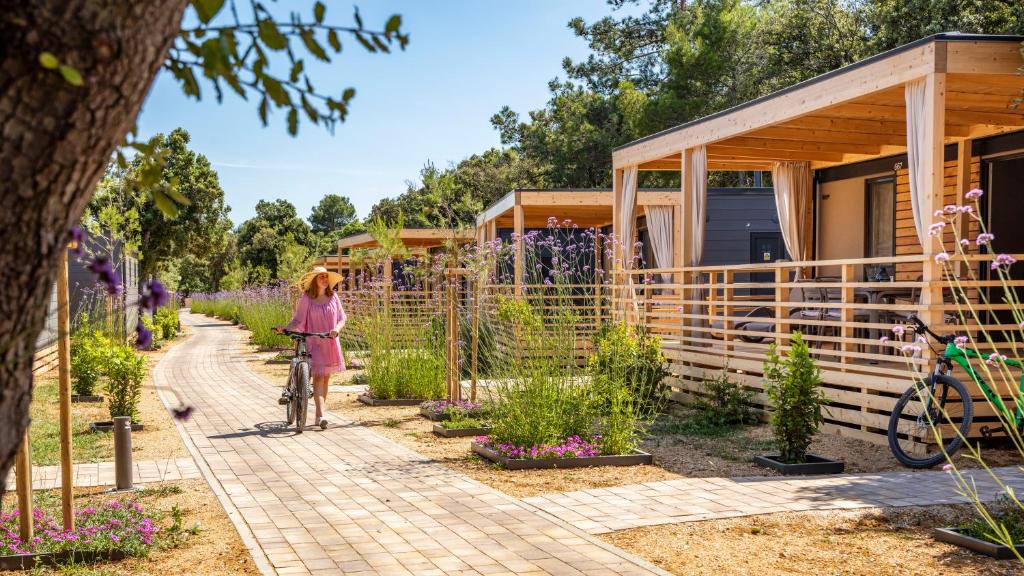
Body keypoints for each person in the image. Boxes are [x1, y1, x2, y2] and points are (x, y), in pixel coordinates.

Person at [274, 266, 346, 429]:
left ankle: (318, 415)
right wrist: (285, 328)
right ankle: (321, 416)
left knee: (326, 378)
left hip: (329, 341)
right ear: (314, 280)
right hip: (312, 342)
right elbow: (298, 320)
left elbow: (342, 318)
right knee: (319, 378)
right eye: (321, 277)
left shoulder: (333, 296)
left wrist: (337, 329)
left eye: (326, 277)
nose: (324, 279)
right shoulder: (306, 298)